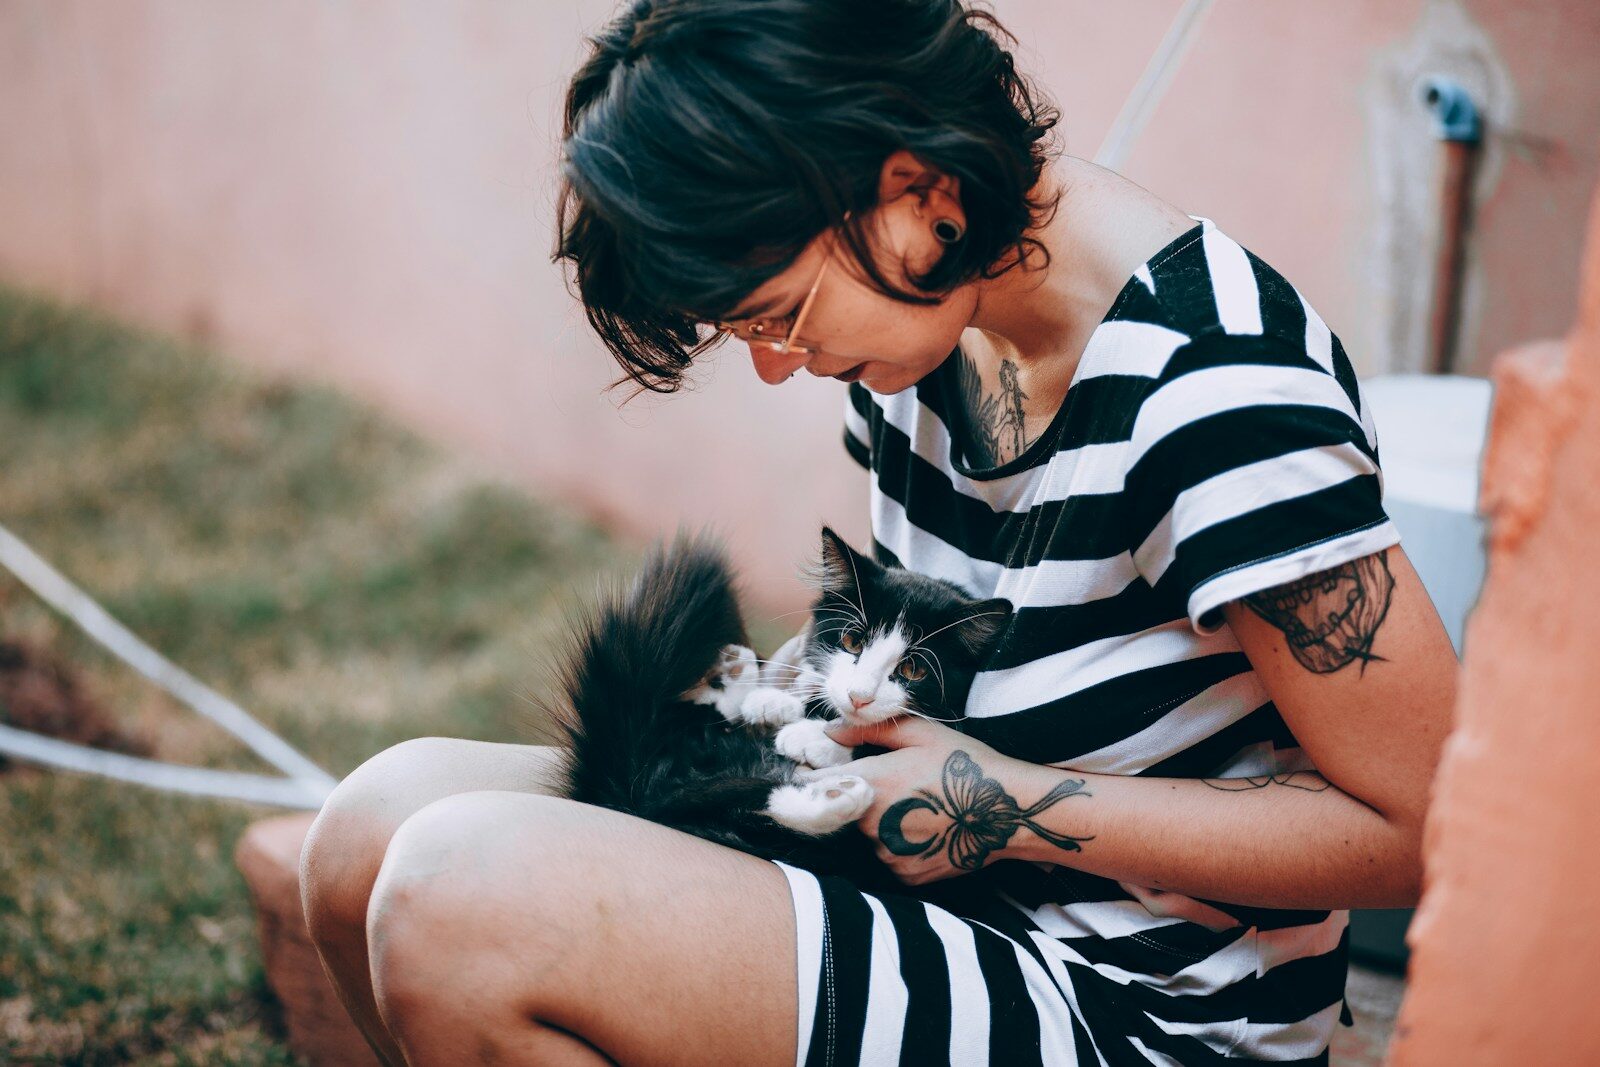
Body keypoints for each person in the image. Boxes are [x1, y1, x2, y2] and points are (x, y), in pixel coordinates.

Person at [299, 1, 1458, 1064]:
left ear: (914, 192)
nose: (770, 366)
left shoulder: (1213, 393)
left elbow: (1417, 828)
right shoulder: (926, 331)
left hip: (1139, 1008)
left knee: (462, 897)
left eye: (780, 317)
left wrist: (994, 804)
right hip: (946, 903)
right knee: (371, 830)